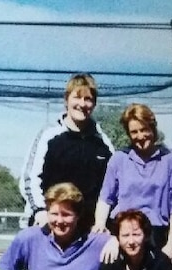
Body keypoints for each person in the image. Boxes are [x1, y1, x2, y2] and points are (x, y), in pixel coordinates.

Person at [92, 103, 172, 262]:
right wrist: (100, 225)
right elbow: (105, 198)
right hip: (123, 234)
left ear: (153, 128)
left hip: (156, 235)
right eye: (134, 132)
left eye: (145, 129)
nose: (140, 136)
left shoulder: (170, 160)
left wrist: (171, 245)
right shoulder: (119, 159)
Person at [21, 73, 115, 228]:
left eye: (88, 99)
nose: (82, 104)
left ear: (94, 104)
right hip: (51, 226)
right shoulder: (48, 135)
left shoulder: (103, 143)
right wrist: (40, 211)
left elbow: (112, 185)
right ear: (66, 100)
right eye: (77, 97)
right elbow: (30, 179)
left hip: (88, 230)